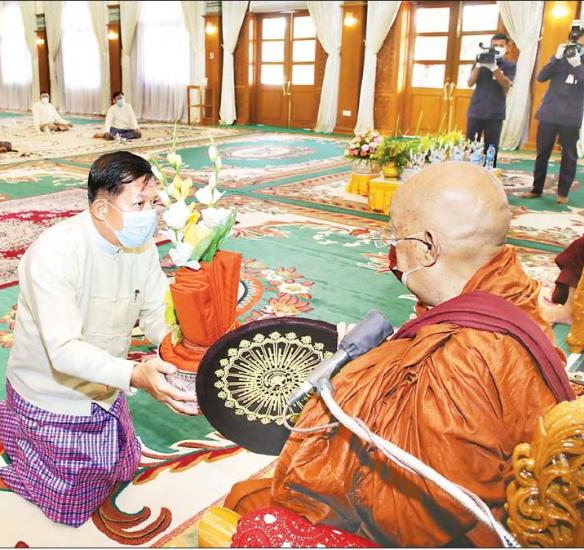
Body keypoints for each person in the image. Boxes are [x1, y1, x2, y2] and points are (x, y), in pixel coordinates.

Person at [224, 162, 572, 547]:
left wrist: (355, 381)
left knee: (251, 510)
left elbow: (409, 521)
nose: (392, 252)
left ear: (427, 248)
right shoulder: (516, 297)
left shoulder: (460, 360)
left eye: (395, 236)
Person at [0, 151, 198, 527]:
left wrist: (181, 354)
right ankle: (26, 456)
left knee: (121, 467)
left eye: (152, 203)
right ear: (102, 209)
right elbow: (63, 351)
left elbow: (156, 311)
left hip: (107, 381)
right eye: (138, 204)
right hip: (53, 392)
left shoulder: (139, 245)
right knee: (72, 503)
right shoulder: (54, 253)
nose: (149, 215)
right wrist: (135, 375)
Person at [522, 31, 584, 205]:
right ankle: (536, 189)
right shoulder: (559, 59)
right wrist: (556, 58)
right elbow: (541, 77)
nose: (577, 47)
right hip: (549, 113)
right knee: (542, 153)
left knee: (569, 155)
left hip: (571, 116)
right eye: (576, 43)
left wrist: (578, 65)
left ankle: (563, 193)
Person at [466, 33, 515, 168]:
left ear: (507, 48)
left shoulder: (509, 65)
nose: (497, 48)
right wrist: (479, 65)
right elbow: (470, 83)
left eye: (501, 46)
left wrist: (494, 68)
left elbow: (506, 85)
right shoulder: (480, 60)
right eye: (494, 45)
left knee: (491, 148)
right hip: (476, 110)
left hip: (495, 112)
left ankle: (489, 174)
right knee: (470, 146)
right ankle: (468, 173)